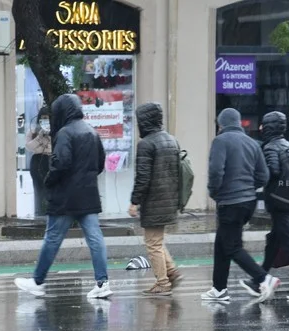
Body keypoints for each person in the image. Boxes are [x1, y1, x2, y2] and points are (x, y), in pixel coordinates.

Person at [14, 94, 112, 299]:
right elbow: (100, 163)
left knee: (52, 238)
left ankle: (37, 281)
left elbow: (61, 163)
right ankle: (102, 283)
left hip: (65, 196)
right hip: (88, 194)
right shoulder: (92, 132)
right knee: (95, 238)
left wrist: (49, 181)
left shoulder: (65, 133)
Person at [203, 108, 279, 303]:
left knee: (232, 247)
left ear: (221, 124)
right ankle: (219, 289)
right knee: (222, 244)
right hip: (248, 201)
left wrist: (215, 192)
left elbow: (215, 171)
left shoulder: (220, 141)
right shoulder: (252, 143)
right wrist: (248, 188)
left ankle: (263, 278)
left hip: (230, 201)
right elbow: (264, 175)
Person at [240, 112, 289, 301]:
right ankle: (259, 279)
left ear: (269, 127)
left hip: (277, 202)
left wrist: (255, 175)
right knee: (274, 241)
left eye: (263, 125)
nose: (260, 128)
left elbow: (271, 171)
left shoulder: (270, 147)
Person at [128, 102, 183, 296]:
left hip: (154, 201)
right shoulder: (171, 140)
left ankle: (162, 282)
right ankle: (172, 272)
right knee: (157, 241)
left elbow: (143, 177)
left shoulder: (146, 144)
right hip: (169, 199)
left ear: (144, 121)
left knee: (152, 244)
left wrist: (134, 201)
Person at [27, 106, 52, 216]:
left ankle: (50, 212)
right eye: (43, 119)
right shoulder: (33, 131)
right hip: (37, 161)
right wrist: (40, 136)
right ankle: (39, 213)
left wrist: (49, 135)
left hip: (50, 160)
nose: (45, 121)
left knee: (50, 189)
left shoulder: (55, 131)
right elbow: (29, 147)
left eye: (47, 118)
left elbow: (54, 147)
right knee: (39, 189)